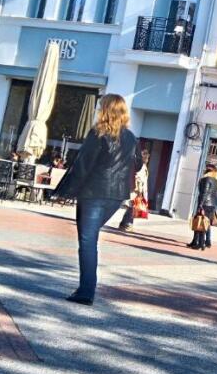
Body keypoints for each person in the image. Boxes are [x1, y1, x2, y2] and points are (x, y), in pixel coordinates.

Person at [54, 94, 141, 306]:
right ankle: (85, 288)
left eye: (100, 106)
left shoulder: (98, 133)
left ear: (106, 110)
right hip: (116, 196)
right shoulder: (131, 137)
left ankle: (86, 290)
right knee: (89, 238)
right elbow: (138, 165)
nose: (97, 110)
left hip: (93, 193)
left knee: (87, 241)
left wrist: (66, 191)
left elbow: (83, 165)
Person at [188, 165, 217, 250]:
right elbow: (216, 195)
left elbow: (204, 193)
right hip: (212, 205)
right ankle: (200, 242)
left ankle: (200, 244)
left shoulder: (206, 179)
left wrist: (200, 205)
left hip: (205, 204)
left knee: (200, 223)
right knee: (205, 224)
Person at [118, 149, 149, 232]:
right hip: (136, 189)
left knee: (131, 207)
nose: (147, 159)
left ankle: (124, 223)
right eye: (146, 157)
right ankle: (128, 224)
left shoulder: (141, 165)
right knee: (132, 207)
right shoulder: (141, 166)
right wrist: (140, 191)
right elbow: (140, 179)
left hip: (135, 189)